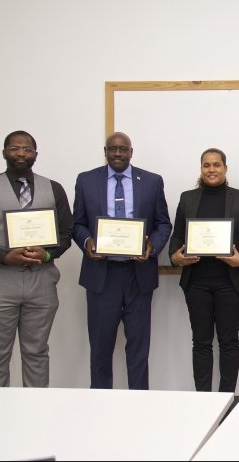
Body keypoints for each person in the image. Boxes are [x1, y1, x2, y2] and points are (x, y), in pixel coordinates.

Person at [0, 130, 74, 387]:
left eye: (27, 149)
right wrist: (3, 256)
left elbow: (66, 232)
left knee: (37, 353)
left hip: (41, 282)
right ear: (4, 153)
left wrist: (48, 254)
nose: (21, 153)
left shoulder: (53, 188)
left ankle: (34, 414)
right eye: (14, 148)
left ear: (35, 154)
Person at [72, 132, 171, 390]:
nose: (118, 153)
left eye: (123, 149)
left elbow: (163, 223)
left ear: (131, 152)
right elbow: (77, 223)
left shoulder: (151, 181)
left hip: (138, 275)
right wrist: (86, 242)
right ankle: (100, 405)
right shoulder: (85, 180)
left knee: (139, 348)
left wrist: (153, 246)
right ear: (105, 151)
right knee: (100, 349)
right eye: (112, 149)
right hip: (101, 275)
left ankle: (138, 405)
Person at [168, 148, 239, 393]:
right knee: (200, 343)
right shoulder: (187, 198)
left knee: (228, 342)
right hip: (196, 282)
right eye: (207, 165)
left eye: (217, 165)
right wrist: (175, 256)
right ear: (201, 169)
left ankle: (226, 398)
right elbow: (177, 235)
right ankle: (203, 400)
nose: (212, 170)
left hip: (231, 283)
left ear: (225, 168)